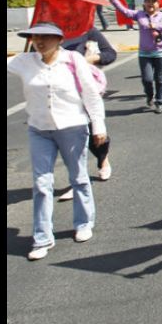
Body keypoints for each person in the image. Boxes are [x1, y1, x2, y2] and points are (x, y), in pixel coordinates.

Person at [7, 22, 106, 260]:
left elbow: (90, 93)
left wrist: (98, 126)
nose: (39, 41)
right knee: (41, 183)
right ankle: (42, 237)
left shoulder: (72, 59)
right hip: (39, 130)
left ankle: (83, 223)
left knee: (78, 177)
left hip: (72, 127)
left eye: (46, 37)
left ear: (59, 39)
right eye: (35, 37)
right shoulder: (23, 61)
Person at [57, 28, 117, 202]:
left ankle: (103, 158)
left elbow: (110, 54)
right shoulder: (48, 30)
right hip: (58, 94)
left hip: (83, 90)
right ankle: (77, 182)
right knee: (69, 138)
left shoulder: (87, 30)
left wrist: (85, 60)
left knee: (93, 132)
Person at [106, 0, 162, 114]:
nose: (150, 3)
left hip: (161, 52)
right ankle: (149, 95)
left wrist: (157, 26)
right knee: (147, 79)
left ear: (158, 4)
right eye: (148, 1)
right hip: (145, 53)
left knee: (160, 79)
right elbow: (123, 10)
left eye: (153, 1)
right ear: (144, 4)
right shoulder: (139, 15)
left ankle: (160, 102)